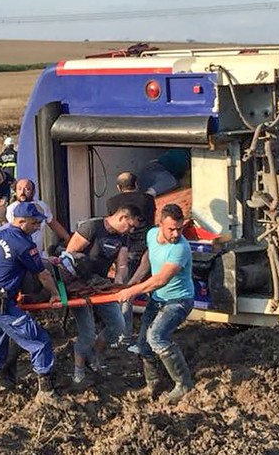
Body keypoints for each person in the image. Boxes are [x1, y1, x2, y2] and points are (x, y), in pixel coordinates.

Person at [0, 201, 64, 404]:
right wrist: (55, 294)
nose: (37, 227)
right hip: (3, 303)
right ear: (21, 221)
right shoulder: (24, 244)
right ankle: (47, 392)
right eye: (34, 223)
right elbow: (42, 275)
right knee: (40, 341)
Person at [117, 203, 195, 403]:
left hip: (179, 301)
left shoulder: (181, 248)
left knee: (156, 336)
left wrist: (132, 291)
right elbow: (148, 259)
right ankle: (153, 383)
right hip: (158, 299)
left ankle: (184, 384)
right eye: (171, 229)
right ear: (160, 225)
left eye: (179, 229)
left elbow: (160, 279)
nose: (176, 234)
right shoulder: (152, 234)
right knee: (143, 345)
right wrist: (135, 280)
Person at [63, 204, 140, 384]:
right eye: (130, 225)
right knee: (87, 332)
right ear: (122, 218)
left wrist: (119, 281)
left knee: (117, 325)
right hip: (79, 285)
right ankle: (78, 372)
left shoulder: (123, 238)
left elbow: (122, 264)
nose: (131, 230)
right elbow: (68, 255)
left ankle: (92, 355)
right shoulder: (92, 228)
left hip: (101, 285)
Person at [107, 172, 157, 344]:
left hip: (124, 251)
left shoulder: (112, 202)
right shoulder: (147, 200)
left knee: (125, 292)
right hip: (146, 249)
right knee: (153, 289)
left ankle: (125, 335)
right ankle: (152, 332)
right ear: (136, 185)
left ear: (118, 188)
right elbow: (151, 224)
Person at [5, 179, 69, 256]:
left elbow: (53, 224)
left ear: (33, 192)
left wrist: (68, 239)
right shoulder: (12, 209)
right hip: (20, 254)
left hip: (38, 253)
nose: (22, 192)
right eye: (19, 189)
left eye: (27, 189)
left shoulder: (42, 206)